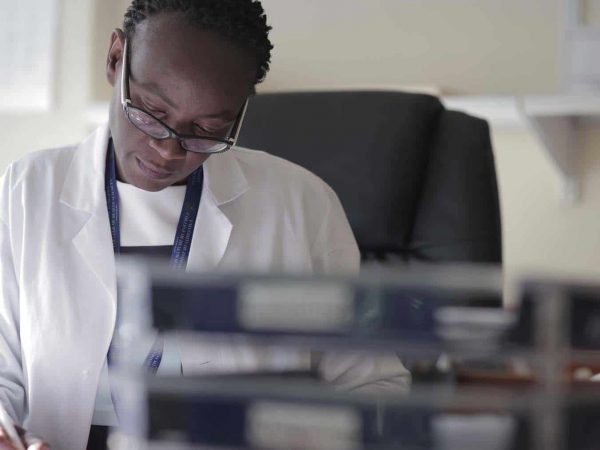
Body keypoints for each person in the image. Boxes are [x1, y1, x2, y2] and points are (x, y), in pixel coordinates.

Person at [0, 1, 410, 449]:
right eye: (151, 112)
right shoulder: (26, 190)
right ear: (116, 59)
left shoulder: (301, 204)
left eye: (206, 129)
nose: (168, 151)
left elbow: (373, 385)